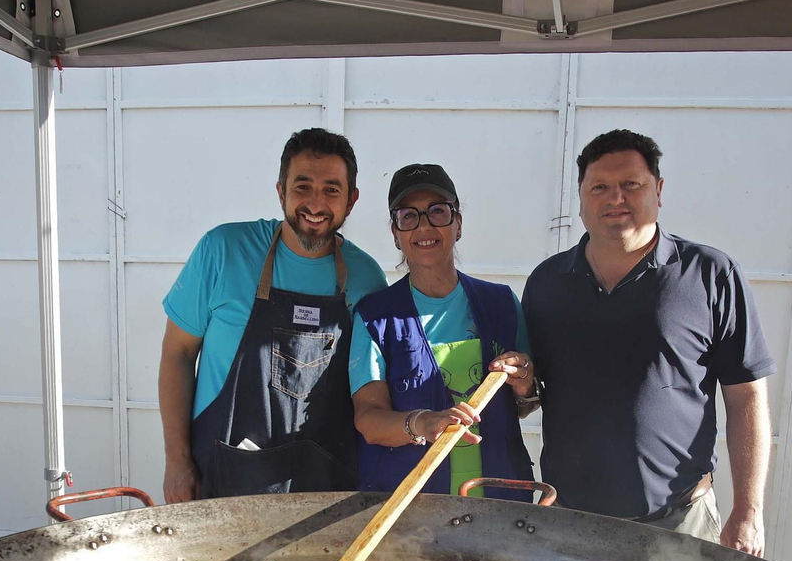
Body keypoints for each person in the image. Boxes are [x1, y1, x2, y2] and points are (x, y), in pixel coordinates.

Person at [522, 130, 775, 553]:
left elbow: (747, 399)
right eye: (599, 187)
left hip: (680, 522)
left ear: (657, 190)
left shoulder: (710, 274)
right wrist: (517, 385)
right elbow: (531, 396)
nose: (614, 198)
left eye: (631, 185)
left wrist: (748, 512)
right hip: (569, 523)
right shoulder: (547, 282)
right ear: (581, 199)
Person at [158, 129, 388, 502]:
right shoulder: (223, 251)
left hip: (327, 494)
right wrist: (177, 460)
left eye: (331, 189)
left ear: (352, 200)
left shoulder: (367, 278)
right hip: (226, 482)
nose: (315, 203)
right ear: (281, 191)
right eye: (302, 187)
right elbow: (177, 354)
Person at [349, 164, 537, 501]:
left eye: (438, 211)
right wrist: (423, 423)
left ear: (458, 224)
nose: (425, 226)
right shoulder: (376, 318)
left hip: (499, 503)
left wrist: (523, 381)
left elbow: (525, 401)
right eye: (409, 216)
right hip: (412, 508)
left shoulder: (502, 303)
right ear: (395, 232)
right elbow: (369, 419)